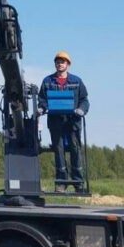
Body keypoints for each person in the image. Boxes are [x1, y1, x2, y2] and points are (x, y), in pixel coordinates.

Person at [37, 51, 89, 191]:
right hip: (55, 122)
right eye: (58, 61)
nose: (60, 64)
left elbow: (84, 100)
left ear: (68, 64)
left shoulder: (76, 81)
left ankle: (78, 183)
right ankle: (61, 183)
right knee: (58, 151)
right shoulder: (47, 81)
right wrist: (42, 108)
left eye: (63, 61)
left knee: (75, 150)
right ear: (55, 64)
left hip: (73, 122)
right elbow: (42, 99)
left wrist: (81, 110)